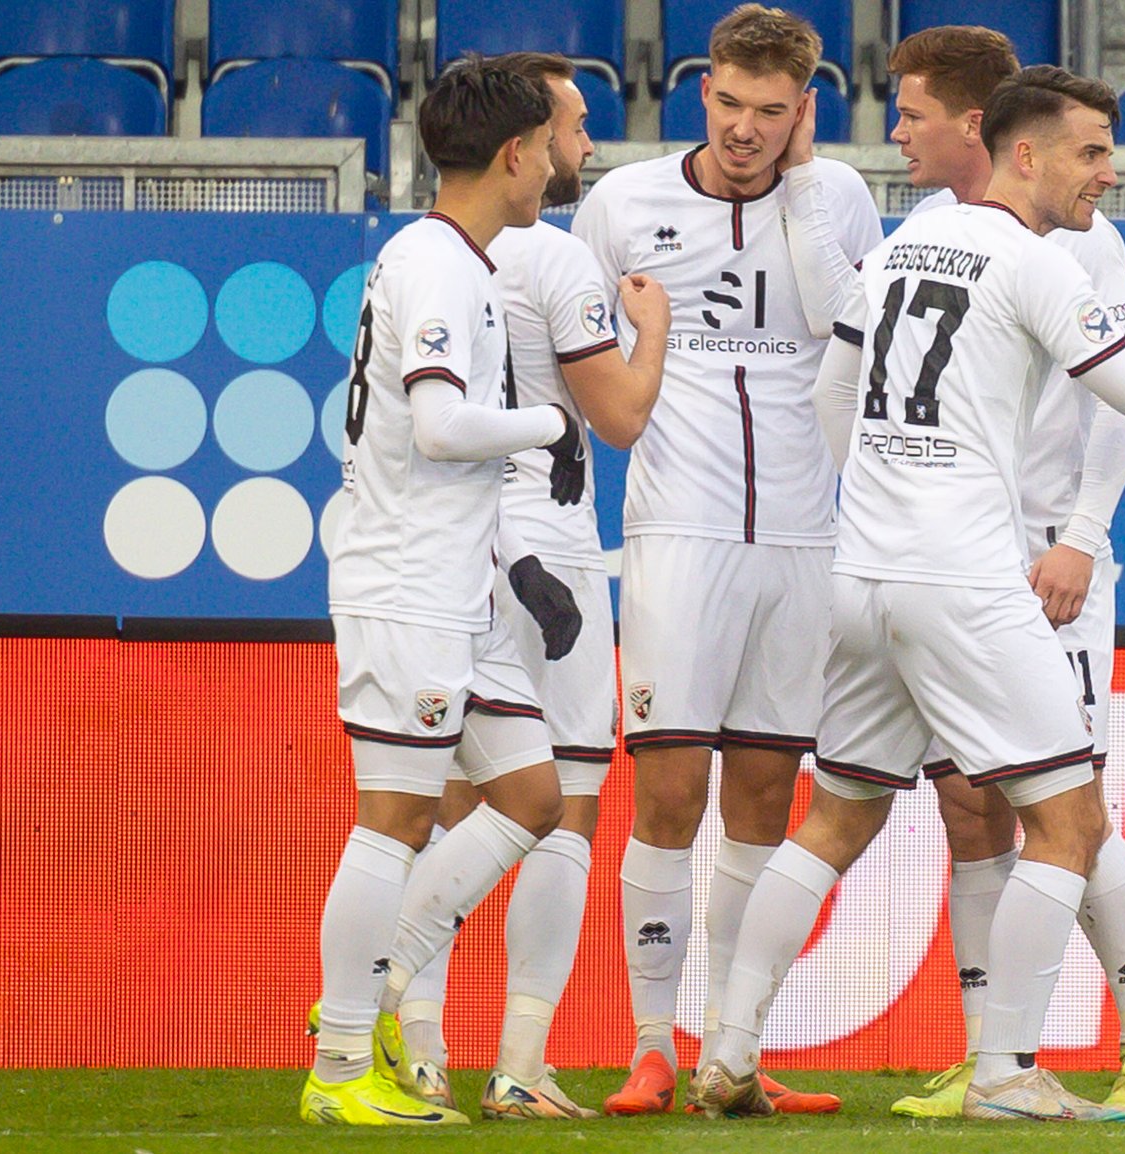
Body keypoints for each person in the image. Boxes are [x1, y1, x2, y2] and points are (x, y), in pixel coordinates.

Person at [692, 65, 1125, 1122]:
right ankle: (1004, 1070)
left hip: (861, 575)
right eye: (1089, 151)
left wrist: (876, 498)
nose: (1108, 173)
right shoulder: (1032, 258)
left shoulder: (905, 242)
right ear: (1024, 153)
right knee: (1069, 820)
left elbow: (832, 390)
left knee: (836, 818)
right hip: (963, 576)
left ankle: (725, 1049)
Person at [786, 27, 1125, 1120]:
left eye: (910, 111)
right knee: (971, 807)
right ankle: (991, 1053)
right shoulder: (929, 229)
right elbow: (847, 393)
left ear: (977, 124)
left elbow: (1122, 400)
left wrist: (1081, 535)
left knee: (1071, 802)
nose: (897, 130)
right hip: (952, 561)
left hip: (1044, 559)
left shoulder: (1078, 234)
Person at [569, 3, 882, 1116]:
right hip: (678, 532)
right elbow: (567, 350)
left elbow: (853, 333)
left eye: (771, 112)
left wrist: (800, 187)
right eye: (731, 105)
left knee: (763, 795)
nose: (746, 130)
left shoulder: (837, 196)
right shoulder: (622, 204)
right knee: (666, 790)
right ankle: (652, 1040)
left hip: (805, 533)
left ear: (804, 111)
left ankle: (733, 1046)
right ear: (701, 92)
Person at [377, 51, 672, 1122]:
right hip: (543, 542)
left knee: (451, 800)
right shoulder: (547, 256)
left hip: (452, 542)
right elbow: (622, 416)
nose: (581, 144)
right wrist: (656, 331)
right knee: (562, 807)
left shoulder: (422, 255)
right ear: (523, 142)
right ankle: (516, 1055)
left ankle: (418, 1053)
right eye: (570, 127)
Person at [302, 55, 584, 1126]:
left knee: (530, 797)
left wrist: (517, 562)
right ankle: (337, 1068)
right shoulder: (439, 265)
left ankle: (362, 989)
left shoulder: (455, 259)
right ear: (515, 154)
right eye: (552, 145)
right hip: (407, 580)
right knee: (395, 817)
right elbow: (437, 424)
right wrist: (548, 425)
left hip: (459, 583)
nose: (559, 162)